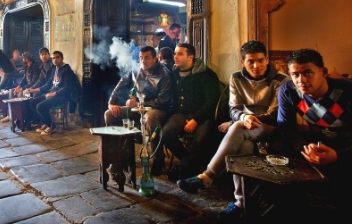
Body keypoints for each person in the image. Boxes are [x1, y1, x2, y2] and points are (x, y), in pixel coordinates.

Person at [176, 41, 290, 222]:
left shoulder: (281, 80)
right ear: (242, 61)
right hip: (245, 127)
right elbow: (234, 109)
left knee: (236, 127)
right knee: (242, 147)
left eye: (261, 60)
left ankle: (207, 177)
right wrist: (244, 118)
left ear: (267, 59)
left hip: (271, 127)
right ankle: (241, 203)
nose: (256, 66)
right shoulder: (236, 77)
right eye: (251, 61)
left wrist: (245, 119)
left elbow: (275, 113)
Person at [276, 49, 352, 220]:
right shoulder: (288, 90)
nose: (300, 80)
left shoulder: (347, 91)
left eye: (307, 73)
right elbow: (285, 128)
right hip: (317, 142)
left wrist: (338, 156)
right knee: (279, 155)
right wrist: (304, 147)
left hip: (346, 145)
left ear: (323, 72)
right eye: (295, 74)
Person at [105, 46, 173, 175]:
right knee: (110, 114)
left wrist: (140, 103)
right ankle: (119, 156)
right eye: (141, 58)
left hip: (159, 109)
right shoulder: (136, 70)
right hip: (138, 108)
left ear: (155, 59)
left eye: (147, 58)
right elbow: (122, 83)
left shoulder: (164, 75)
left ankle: (158, 159)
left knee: (150, 117)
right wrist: (111, 103)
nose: (143, 61)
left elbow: (163, 101)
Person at [162, 43, 220, 181]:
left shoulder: (206, 74)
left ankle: (183, 168)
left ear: (191, 57)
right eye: (175, 53)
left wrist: (196, 119)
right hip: (181, 114)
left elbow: (212, 101)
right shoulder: (173, 74)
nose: (175, 56)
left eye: (180, 54)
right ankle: (189, 164)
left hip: (204, 115)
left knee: (201, 139)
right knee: (166, 134)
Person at [28, 51, 77, 135]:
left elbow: (67, 88)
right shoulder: (54, 69)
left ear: (62, 58)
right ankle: (46, 123)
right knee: (32, 102)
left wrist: (54, 94)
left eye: (58, 57)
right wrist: (34, 90)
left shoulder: (67, 70)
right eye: (53, 58)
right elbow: (48, 84)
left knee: (40, 106)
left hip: (62, 97)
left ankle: (52, 126)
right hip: (52, 94)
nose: (55, 60)